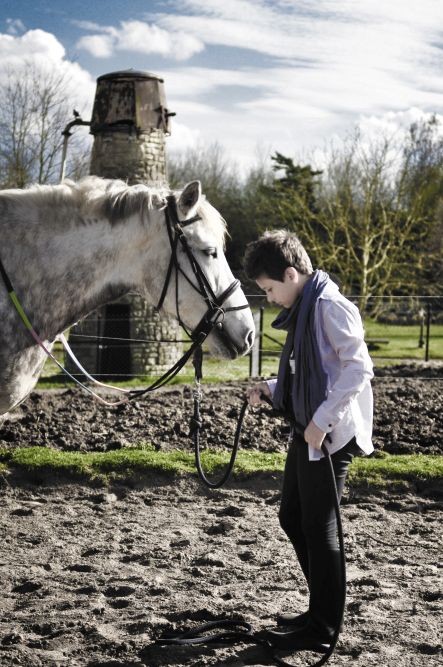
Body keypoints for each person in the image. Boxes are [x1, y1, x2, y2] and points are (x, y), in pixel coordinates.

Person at [244, 230, 374, 654]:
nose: (269, 299)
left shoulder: (330, 306)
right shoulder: (307, 307)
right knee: (292, 516)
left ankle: (323, 625)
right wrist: (271, 387)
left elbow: (358, 369)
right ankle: (320, 609)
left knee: (319, 527)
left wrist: (320, 421)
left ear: (290, 274)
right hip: (310, 428)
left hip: (331, 434)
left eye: (269, 289)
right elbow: (310, 369)